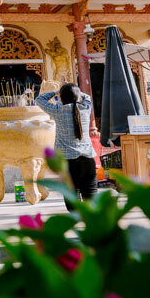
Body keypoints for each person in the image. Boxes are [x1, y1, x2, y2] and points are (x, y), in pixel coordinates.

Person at [36, 82, 98, 211]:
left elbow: (39, 99)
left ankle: (76, 224)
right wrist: (75, 92)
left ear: (62, 98)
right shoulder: (85, 109)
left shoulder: (58, 110)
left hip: (68, 163)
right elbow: (87, 97)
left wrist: (56, 91)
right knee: (91, 200)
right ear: (77, 96)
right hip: (88, 160)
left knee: (72, 198)